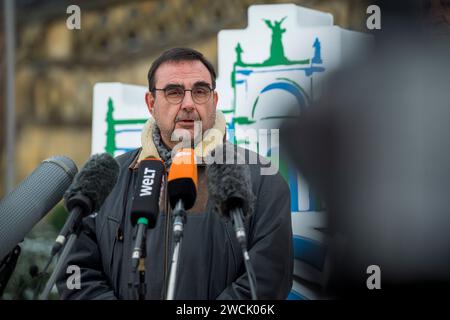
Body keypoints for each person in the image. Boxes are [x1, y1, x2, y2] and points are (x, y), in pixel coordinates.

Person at [56, 47, 293, 300]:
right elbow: (76, 273)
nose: (189, 104)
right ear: (151, 103)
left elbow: (268, 280)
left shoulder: (262, 178)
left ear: (214, 101)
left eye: (200, 91)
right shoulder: (110, 179)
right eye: (174, 92)